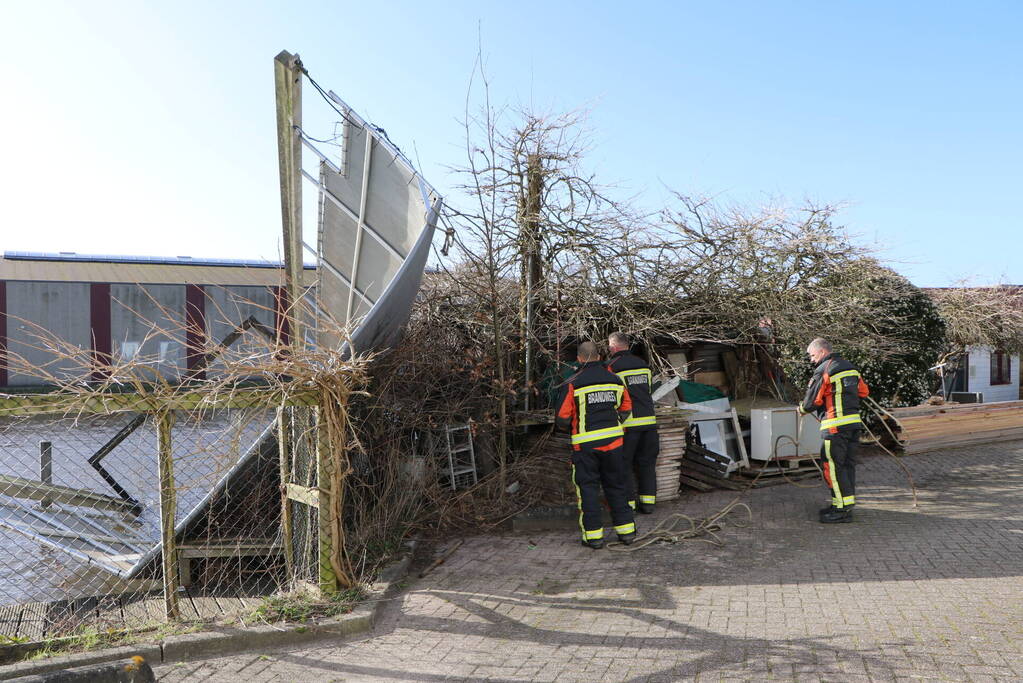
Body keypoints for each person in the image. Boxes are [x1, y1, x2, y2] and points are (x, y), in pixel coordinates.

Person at [555, 341, 637, 549]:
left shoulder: (573, 382)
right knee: (617, 486)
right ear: (599, 357)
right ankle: (627, 533)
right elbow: (626, 408)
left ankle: (594, 537)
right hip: (615, 443)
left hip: (586, 446)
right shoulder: (615, 380)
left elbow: (562, 418)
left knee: (589, 490)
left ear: (579, 359)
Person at [798, 338, 870, 523]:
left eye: (812, 356)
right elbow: (863, 392)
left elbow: (811, 402)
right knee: (847, 466)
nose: (812, 360)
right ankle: (844, 504)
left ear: (822, 352)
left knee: (833, 468)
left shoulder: (824, 369)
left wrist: (801, 409)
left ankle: (840, 510)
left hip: (834, 428)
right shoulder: (850, 367)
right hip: (853, 426)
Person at [606, 332, 659, 514]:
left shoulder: (612, 367)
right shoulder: (643, 364)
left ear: (613, 347)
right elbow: (648, 391)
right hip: (650, 423)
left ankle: (628, 505)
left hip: (628, 425)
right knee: (647, 464)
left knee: (623, 464)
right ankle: (648, 503)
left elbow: (612, 396)